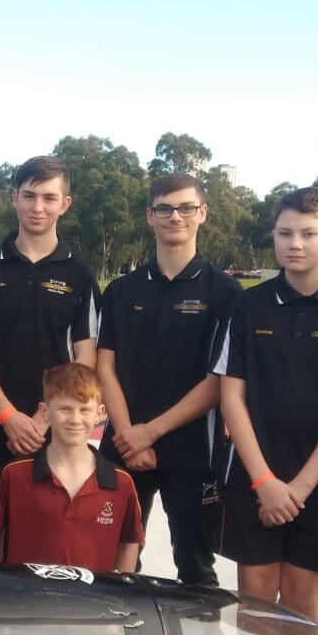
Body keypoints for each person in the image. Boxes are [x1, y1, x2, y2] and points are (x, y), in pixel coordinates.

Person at [211, 187, 318, 623]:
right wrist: (265, 482)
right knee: (254, 608)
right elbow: (231, 395)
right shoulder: (248, 304)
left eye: (309, 233)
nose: (295, 244)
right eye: (285, 233)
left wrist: (300, 487)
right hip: (254, 478)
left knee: (303, 612)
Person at [96, 172, 241, 585]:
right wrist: (127, 434)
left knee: (195, 567)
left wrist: (151, 432)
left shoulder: (226, 293)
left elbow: (221, 379)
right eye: (164, 208)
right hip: (122, 445)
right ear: (149, 216)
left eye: (185, 208)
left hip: (193, 450)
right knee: (115, 564)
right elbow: (105, 366)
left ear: (202, 214)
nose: (175, 216)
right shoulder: (123, 290)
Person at [0, 156, 100, 486]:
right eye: (29, 195)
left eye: (49, 198)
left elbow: (85, 359)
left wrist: (43, 419)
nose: (38, 207)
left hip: (57, 427)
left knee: (49, 530)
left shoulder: (79, 276)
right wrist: (8, 416)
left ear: (64, 204)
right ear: (14, 197)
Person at [0, 363, 143, 572]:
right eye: (65, 409)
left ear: (100, 413)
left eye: (84, 410)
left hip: (91, 603)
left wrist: (123, 593)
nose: (75, 420)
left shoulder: (120, 482)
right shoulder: (15, 474)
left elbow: (129, 542)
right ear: (45, 412)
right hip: (25, 601)